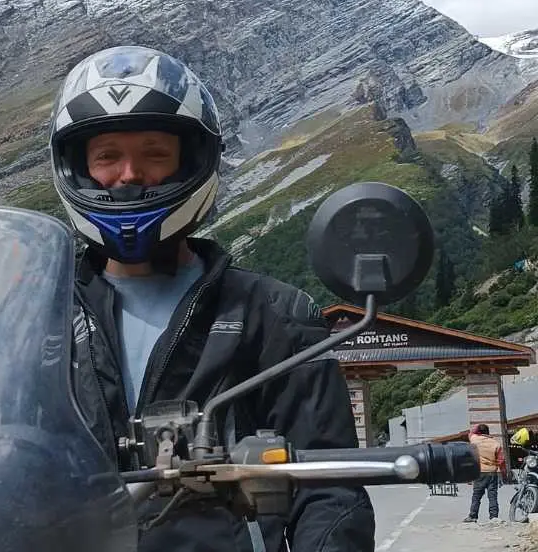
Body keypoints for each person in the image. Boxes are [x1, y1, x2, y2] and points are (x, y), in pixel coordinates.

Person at [48, 45, 375, 551]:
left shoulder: (274, 313)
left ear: (192, 161)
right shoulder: (38, 317)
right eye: (107, 156)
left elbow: (329, 488)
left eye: (155, 154)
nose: (130, 174)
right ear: (78, 166)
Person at [464, 423, 506, 523]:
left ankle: (473, 516)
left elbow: (471, 433)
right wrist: (503, 474)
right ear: (488, 432)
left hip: (479, 472)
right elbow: (501, 461)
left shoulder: (474, 440)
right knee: (492, 496)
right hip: (492, 473)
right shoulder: (495, 444)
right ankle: (494, 517)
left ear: (478, 432)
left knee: (476, 496)